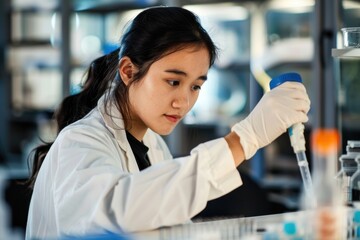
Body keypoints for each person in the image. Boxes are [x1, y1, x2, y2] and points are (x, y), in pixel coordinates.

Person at [25, 6, 310, 239]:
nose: (183, 101)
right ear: (128, 71)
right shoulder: (80, 142)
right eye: (173, 81)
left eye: (195, 86)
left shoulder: (153, 145)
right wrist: (244, 139)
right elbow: (121, 211)